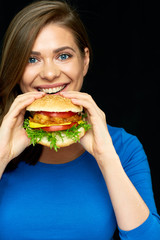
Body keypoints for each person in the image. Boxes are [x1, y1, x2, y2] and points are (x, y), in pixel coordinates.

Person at [0, 0, 159, 239]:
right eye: (32, 59)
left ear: (84, 61)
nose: (50, 73)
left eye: (63, 56)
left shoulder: (123, 148)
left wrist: (106, 156)